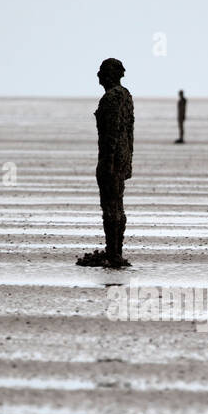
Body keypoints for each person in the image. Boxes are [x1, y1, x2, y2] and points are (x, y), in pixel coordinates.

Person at [77, 58, 134, 268]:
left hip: (111, 161)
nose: (98, 75)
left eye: (101, 72)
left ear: (109, 75)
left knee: (111, 207)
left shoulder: (111, 98)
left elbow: (113, 133)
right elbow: (129, 133)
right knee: (118, 206)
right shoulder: (126, 96)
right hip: (122, 159)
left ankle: (113, 253)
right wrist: (128, 162)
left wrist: (108, 165)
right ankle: (116, 252)